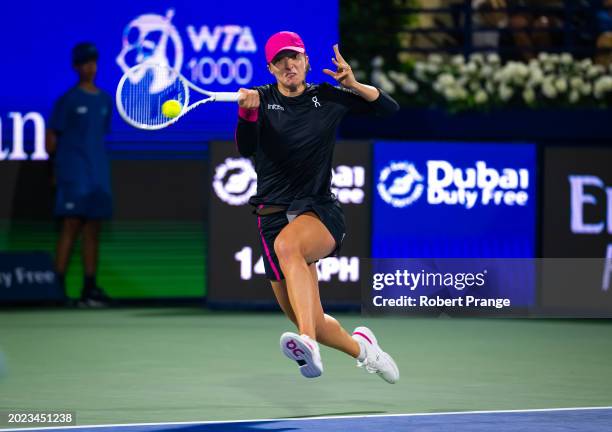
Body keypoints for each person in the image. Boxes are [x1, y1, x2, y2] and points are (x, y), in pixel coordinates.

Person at [235, 31, 400, 382]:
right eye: (280, 60)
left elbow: (388, 109)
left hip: (319, 212)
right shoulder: (260, 100)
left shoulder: (327, 97)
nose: (288, 64)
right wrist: (247, 116)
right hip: (272, 218)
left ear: (306, 60)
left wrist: (354, 84)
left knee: (289, 247)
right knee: (306, 315)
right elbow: (246, 149)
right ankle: (365, 349)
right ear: (271, 68)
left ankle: (308, 343)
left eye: (293, 57)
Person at [46, 42, 113, 306]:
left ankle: (89, 289)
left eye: (93, 61)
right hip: (74, 175)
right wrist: (58, 170)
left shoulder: (106, 100)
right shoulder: (68, 100)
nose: (90, 67)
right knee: (71, 226)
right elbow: (51, 141)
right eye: (85, 62)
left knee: (93, 229)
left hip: (98, 175)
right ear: (76, 67)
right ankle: (55, 288)